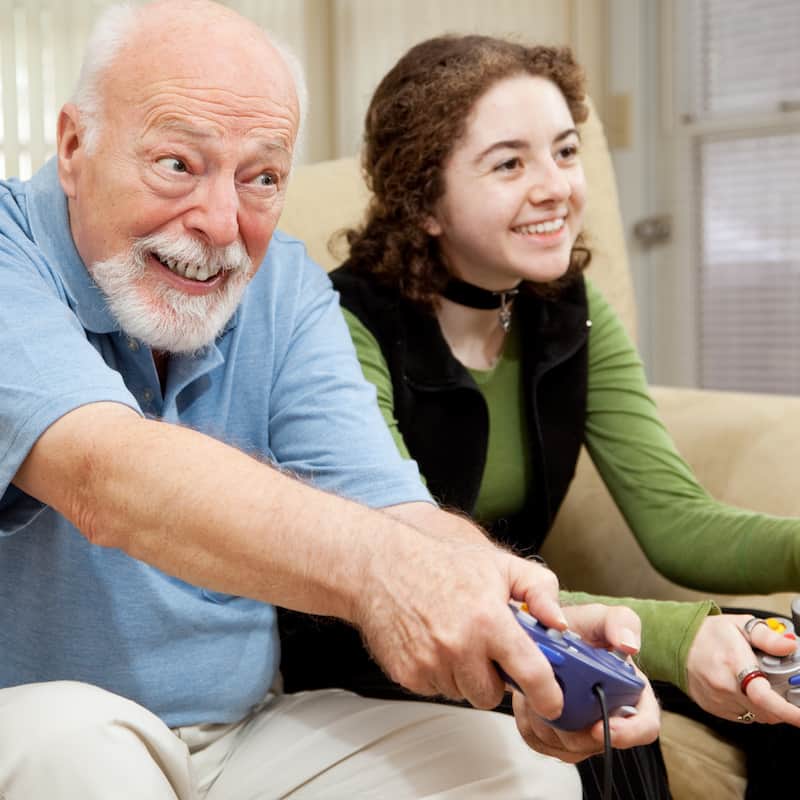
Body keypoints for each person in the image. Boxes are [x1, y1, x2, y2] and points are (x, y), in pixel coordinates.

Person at [0, 3, 672, 799]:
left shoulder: (282, 281)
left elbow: (390, 504)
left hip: (242, 731)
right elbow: (107, 477)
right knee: (80, 751)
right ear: (76, 146)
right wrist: (383, 572)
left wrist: (521, 621)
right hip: (38, 719)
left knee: (524, 775)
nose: (220, 225)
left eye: (262, 178)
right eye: (177, 164)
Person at [277, 35, 800, 800]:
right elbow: (417, 572)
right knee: (603, 712)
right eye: (510, 164)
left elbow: (676, 521)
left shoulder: (566, 309)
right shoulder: (340, 324)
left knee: (781, 668)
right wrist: (678, 637)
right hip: (390, 642)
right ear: (423, 201)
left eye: (564, 152)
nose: (556, 186)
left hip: (528, 616)